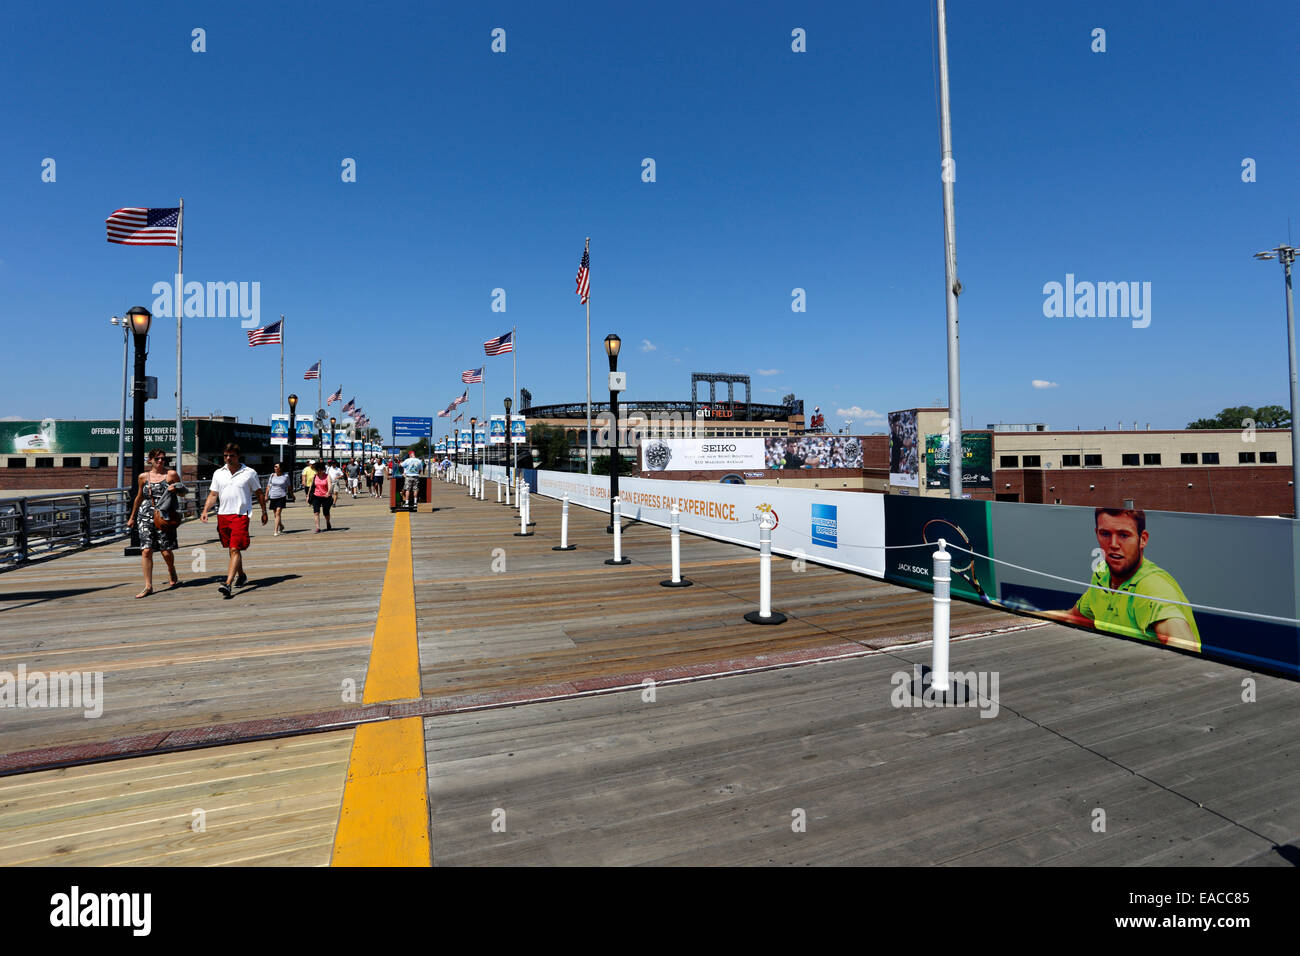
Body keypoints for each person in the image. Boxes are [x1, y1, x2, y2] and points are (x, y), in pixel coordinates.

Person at [1045, 508, 1201, 653]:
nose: (1113, 545)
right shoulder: (1102, 574)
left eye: (1124, 535)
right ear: (1096, 534)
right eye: (1105, 534)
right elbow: (1073, 617)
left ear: (1143, 539)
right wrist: (1026, 612)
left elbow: (1186, 647)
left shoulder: (1152, 586)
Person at [200, 443, 267, 599]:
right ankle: (241, 575)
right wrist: (205, 511)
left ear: (238, 456)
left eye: (231, 455)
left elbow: (259, 493)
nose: (228, 458)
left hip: (240, 515)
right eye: (225, 456)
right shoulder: (218, 473)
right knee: (232, 549)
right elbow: (213, 494)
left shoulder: (249, 473)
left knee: (235, 548)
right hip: (223, 515)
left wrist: (264, 511)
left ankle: (228, 584)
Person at [125, 448, 186, 598]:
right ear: (150, 460)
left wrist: (175, 488)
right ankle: (148, 585)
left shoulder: (170, 474)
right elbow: (139, 497)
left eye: (163, 459)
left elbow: (183, 491)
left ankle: (171, 569)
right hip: (145, 514)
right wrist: (132, 517)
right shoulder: (143, 477)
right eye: (157, 459)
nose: (160, 461)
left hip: (164, 515)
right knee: (146, 550)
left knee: (166, 550)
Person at [266, 461, 291, 535]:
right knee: (276, 514)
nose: (275, 468)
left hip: (281, 496)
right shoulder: (272, 475)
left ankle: (275, 531)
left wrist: (292, 495)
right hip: (273, 496)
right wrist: (266, 495)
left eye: (276, 467)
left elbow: (289, 486)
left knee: (278, 512)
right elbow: (268, 486)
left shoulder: (286, 476)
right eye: (274, 467)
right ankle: (281, 525)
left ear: (281, 468)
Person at [310, 460, 334, 532]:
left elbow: (330, 486)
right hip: (316, 496)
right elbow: (312, 486)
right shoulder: (315, 476)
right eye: (318, 470)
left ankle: (328, 522)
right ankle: (318, 527)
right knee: (316, 512)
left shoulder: (327, 476)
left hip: (325, 496)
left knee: (326, 512)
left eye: (321, 470)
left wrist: (328, 492)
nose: (319, 472)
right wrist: (308, 495)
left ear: (323, 469)